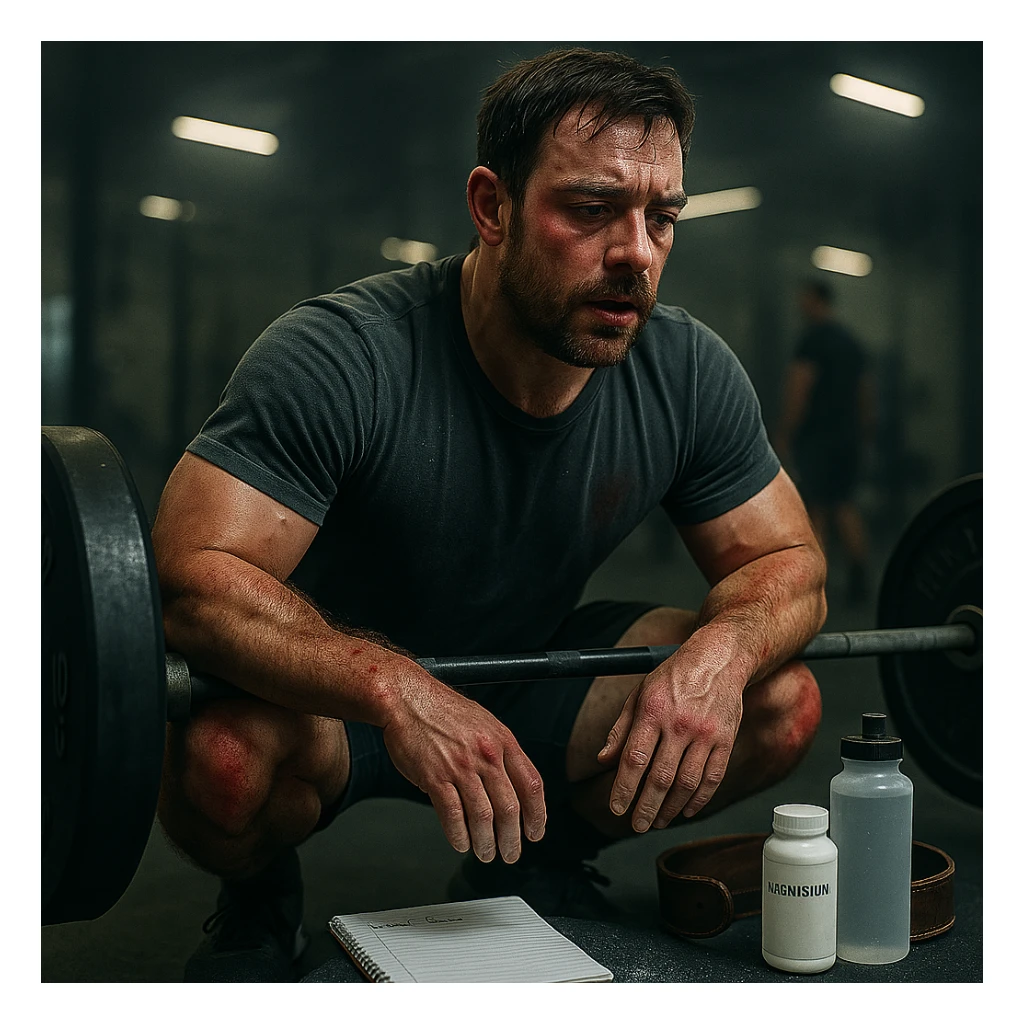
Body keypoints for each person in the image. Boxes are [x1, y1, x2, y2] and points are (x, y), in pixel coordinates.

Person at [152, 47, 827, 982]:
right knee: (221, 765)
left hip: (533, 671)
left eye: (661, 216)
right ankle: (263, 888)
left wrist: (721, 658)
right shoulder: (342, 355)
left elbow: (786, 559)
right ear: (492, 206)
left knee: (780, 703)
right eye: (592, 209)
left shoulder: (685, 370)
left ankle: (537, 853)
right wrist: (394, 688)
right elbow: (194, 580)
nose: (635, 251)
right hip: (324, 703)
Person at [775, 280, 874, 604]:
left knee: (815, 508)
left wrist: (785, 434)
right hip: (847, 438)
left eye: (804, 298)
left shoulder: (812, 341)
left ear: (816, 300)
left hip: (818, 438)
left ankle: (816, 590)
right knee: (844, 504)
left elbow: (798, 390)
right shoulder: (851, 342)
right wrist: (862, 433)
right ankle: (860, 578)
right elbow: (864, 394)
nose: (800, 304)